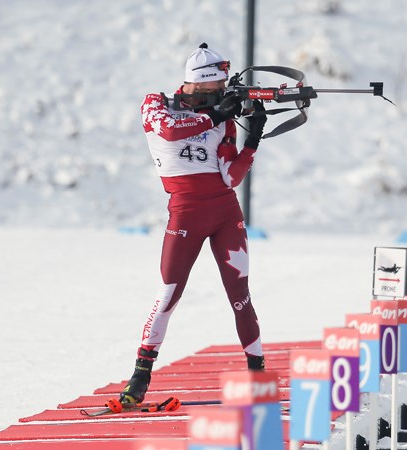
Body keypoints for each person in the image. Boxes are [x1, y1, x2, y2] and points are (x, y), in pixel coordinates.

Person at [120, 43, 268, 405]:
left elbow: (230, 176)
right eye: (215, 91)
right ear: (200, 86)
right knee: (169, 292)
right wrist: (217, 116)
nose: (220, 98)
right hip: (185, 212)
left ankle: (257, 375)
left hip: (225, 212)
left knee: (240, 297)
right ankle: (140, 374)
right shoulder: (157, 103)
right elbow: (170, 131)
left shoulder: (223, 117)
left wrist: (253, 140)